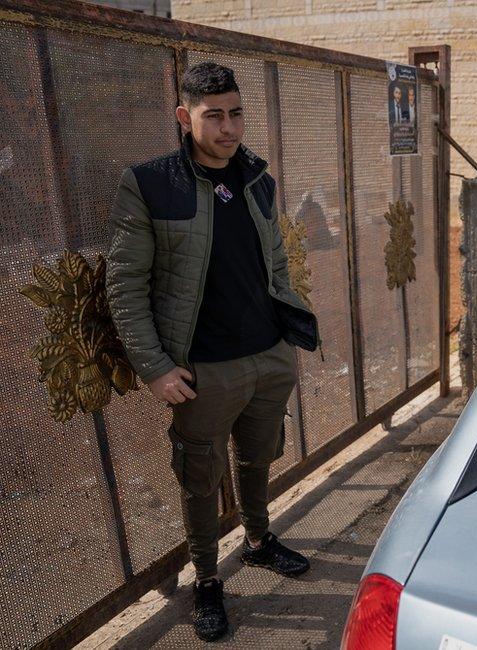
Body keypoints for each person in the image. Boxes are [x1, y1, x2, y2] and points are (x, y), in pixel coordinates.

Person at [105, 62, 319, 642]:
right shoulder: (150, 184)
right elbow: (123, 285)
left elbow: (274, 260)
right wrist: (154, 368)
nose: (229, 128)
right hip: (202, 370)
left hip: (269, 355)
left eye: (236, 113)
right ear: (185, 116)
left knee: (258, 456)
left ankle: (257, 539)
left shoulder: (256, 178)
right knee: (199, 478)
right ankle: (206, 580)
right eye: (213, 115)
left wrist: (288, 332)